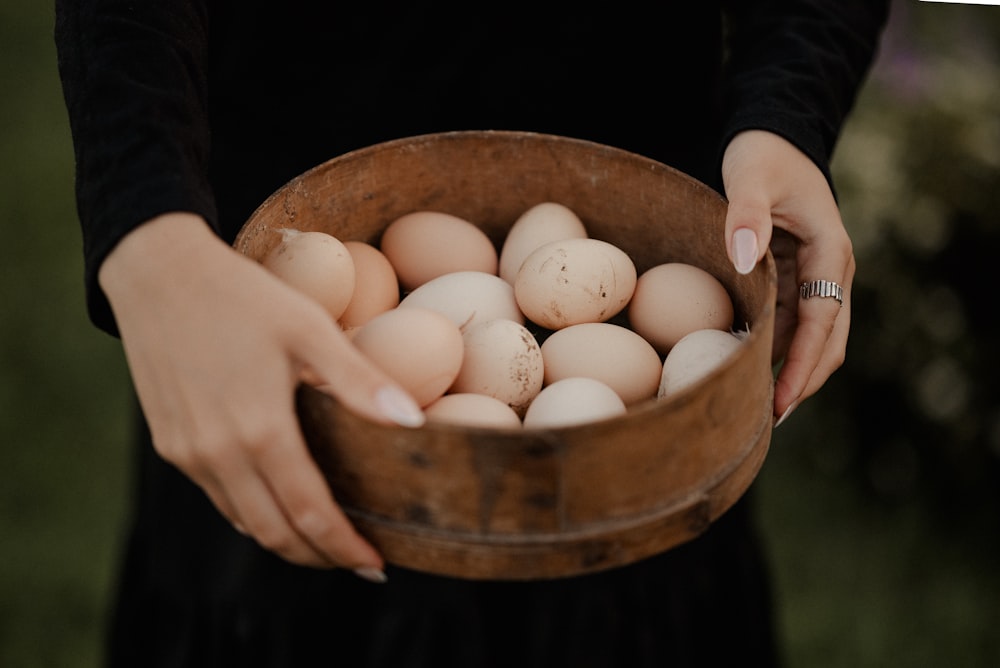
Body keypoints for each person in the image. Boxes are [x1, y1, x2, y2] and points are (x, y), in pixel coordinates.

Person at [55, 2, 889, 666]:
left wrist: (785, 112)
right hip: (271, 286)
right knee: (284, 549)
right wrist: (148, 222)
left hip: (642, 208)